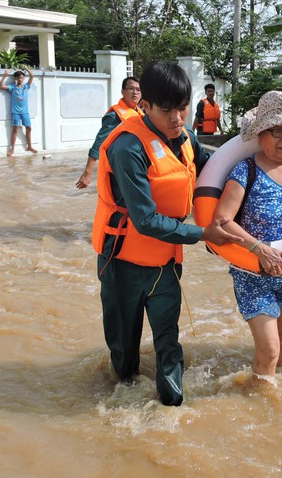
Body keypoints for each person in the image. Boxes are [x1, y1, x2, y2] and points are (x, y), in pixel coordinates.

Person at [92, 61, 242, 406]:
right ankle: (122, 403)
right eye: (167, 110)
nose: (177, 118)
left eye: (183, 108)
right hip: (122, 263)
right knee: (123, 348)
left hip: (165, 263)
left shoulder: (187, 138)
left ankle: (172, 408)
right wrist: (204, 234)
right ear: (145, 106)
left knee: (168, 340)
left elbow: (212, 169)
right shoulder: (127, 148)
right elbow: (145, 220)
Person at [212, 90, 282, 381]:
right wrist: (259, 247)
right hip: (253, 274)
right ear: (260, 135)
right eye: (277, 131)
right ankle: (258, 404)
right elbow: (222, 221)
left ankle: (279, 411)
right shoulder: (244, 171)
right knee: (270, 350)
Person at [75, 76, 143, 189]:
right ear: (123, 92)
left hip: (135, 166)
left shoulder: (141, 114)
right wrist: (87, 173)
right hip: (119, 168)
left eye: (138, 90)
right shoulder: (115, 116)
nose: (135, 93)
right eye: (131, 89)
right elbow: (99, 143)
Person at [0, 65, 37, 156]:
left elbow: (32, 76)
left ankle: (29, 146)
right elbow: (1, 86)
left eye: (22, 78)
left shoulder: (26, 87)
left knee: (29, 128)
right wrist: (5, 75)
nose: (21, 79)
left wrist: (26, 68)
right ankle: (12, 148)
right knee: (15, 129)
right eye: (19, 78)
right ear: (16, 78)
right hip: (16, 112)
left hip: (25, 112)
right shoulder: (12, 87)